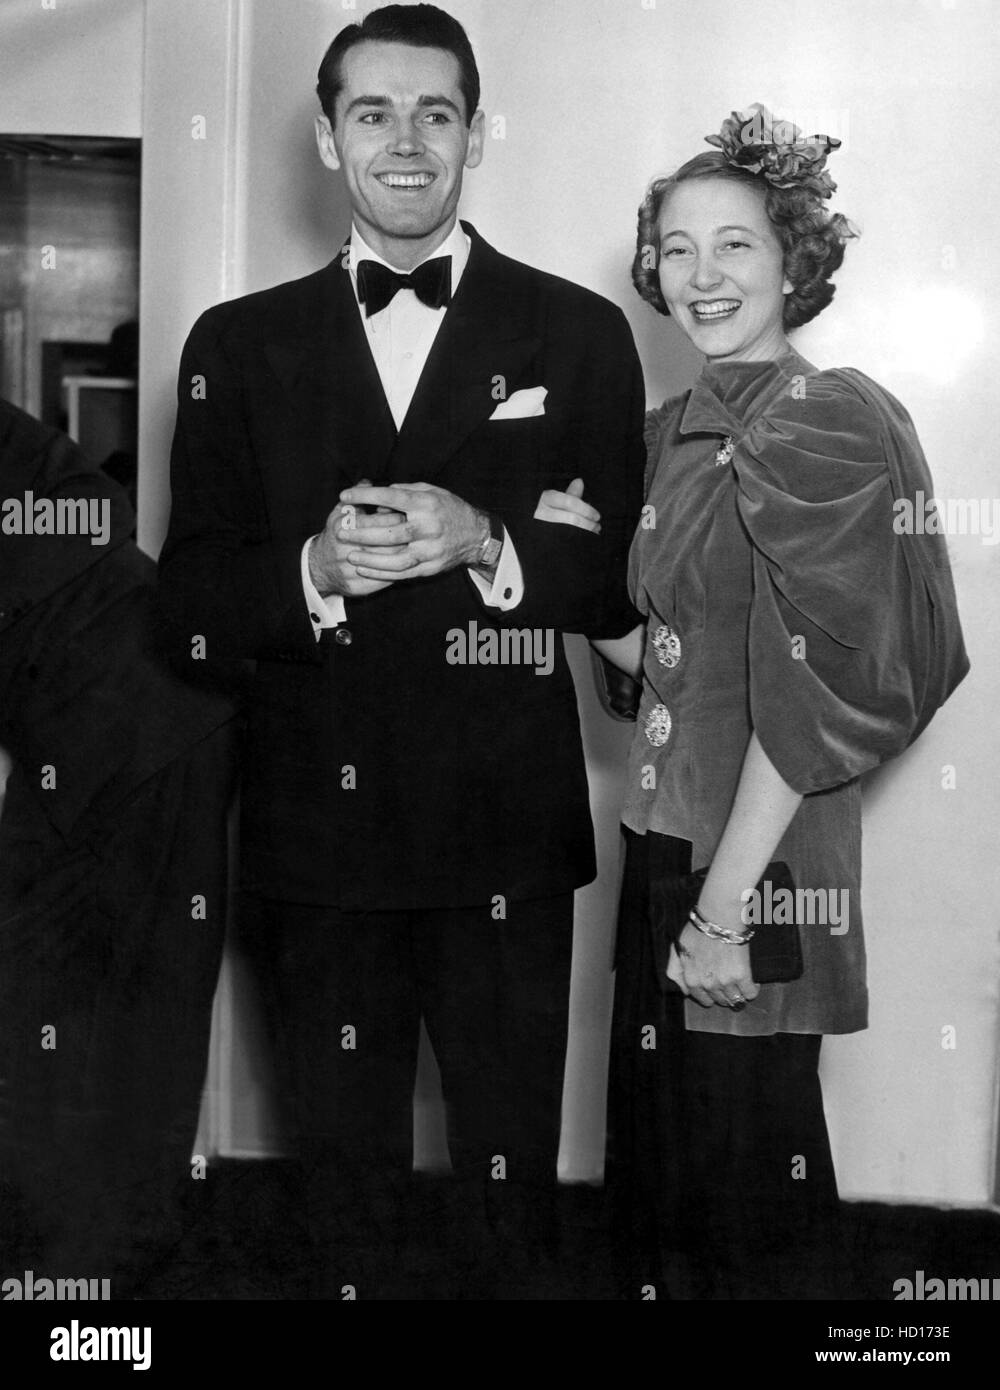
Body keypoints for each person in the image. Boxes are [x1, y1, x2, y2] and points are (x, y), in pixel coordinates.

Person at [157, 3, 644, 1299]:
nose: (408, 140)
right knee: (341, 1212)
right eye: (373, 112)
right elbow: (189, 602)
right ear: (328, 137)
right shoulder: (233, 347)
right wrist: (312, 571)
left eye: (438, 112)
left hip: (507, 847)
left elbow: (618, 578)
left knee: (506, 1207)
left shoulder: (579, 334)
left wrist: (487, 537)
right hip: (316, 855)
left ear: (477, 134)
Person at [570, 105, 969, 1298]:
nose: (700, 277)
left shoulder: (822, 419)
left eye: (735, 245)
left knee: (747, 1200)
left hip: (750, 863)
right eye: (677, 249)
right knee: (668, 1186)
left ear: (795, 258)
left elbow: (824, 693)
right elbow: (682, 663)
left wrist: (725, 911)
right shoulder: (674, 431)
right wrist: (540, 572)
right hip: (665, 844)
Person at [0, 398, 237, 1294]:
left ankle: (117, 1256)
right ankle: (51, 1236)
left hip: (151, 706)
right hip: (56, 735)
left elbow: (101, 511)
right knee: (30, 980)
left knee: (148, 992)